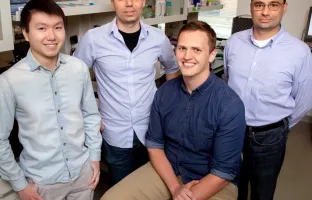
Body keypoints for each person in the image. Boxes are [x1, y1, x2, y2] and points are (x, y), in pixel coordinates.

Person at [100, 21, 246, 200]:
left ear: (211, 55)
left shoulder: (229, 105)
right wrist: (176, 187)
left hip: (213, 180)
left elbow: (223, 172)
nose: (187, 56)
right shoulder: (165, 92)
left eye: (196, 50)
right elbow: (155, 146)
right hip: (169, 169)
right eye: (182, 48)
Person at [0, 0, 102, 199]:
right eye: (41, 28)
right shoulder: (9, 81)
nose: (51, 36)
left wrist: (95, 158)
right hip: (42, 184)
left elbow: (90, 115)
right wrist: (19, 184)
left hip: (83, 176)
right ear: (26, 33)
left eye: (58, 27)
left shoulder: (78, 68)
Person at [74, 0, 179, 186]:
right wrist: (89, 113)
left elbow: (172, 68)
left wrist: (169, 107)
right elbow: (74, 78)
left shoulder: (157, 38)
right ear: (113, 2)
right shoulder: (94, 39)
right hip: (115, 132)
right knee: (122, 189)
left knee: (152, 188)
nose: (129, 4)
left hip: (152, 130)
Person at [223, 0, 312, 199]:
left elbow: (304, 101)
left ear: (284, 7)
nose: (265, 11)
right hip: (232, 130)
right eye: (259, 5)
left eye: (273, 5)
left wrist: (280, 127)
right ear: (251, 7)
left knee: (262, 191)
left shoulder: (299, 51)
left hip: (270, 136)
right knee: (230, 185)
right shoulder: (234, 42)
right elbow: (228, 80)